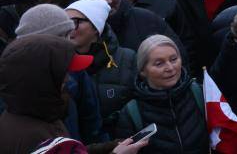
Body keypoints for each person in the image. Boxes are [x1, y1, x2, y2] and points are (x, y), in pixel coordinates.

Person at [0, 35, 146, 154]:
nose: (68, 78)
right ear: (41, 79)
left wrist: (109, 147)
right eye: (62, 72)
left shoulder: (37, 113)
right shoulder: (33, 137)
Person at [115, 35, 207, 153]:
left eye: (174, 59)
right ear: (143, 70)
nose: (170, 68)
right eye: (159, 63)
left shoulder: (200, 93)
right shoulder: (132, 113)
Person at [65, 0, 137, 133]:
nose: (68, 28)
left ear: (96, 27)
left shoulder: (127, 59)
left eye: (75, 22)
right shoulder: (60, 62)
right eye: (65, 22)